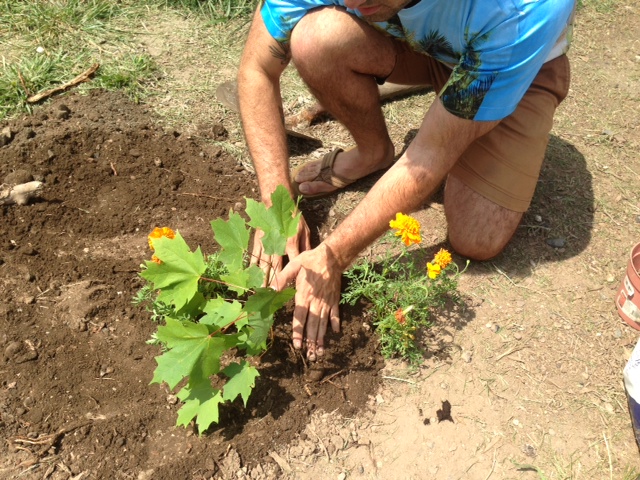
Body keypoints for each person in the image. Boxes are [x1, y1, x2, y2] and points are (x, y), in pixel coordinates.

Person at [237, 0, 575, 360]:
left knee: (477, 237)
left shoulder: (521, 10)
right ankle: (374, 153)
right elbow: (257, 69)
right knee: (315, 38)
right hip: (421, 44)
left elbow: (430, 152)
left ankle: (471, 118)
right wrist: (276, 204)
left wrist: (333, 255)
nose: (351, 2)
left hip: (507, 59)